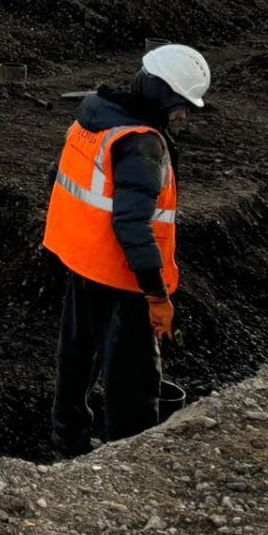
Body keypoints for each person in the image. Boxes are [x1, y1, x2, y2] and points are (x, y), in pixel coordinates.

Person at [43, 44, 211, 455]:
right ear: (163, 94)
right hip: (123, 276)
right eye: (179, 105)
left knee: (77, 358)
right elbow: (134, 226)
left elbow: (57, 178)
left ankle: (69, 446)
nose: (181, 116)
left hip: (82, 261)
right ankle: (128, 461)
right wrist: (157, 295)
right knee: (133, 381)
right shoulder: (141, 143)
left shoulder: (93, 118)